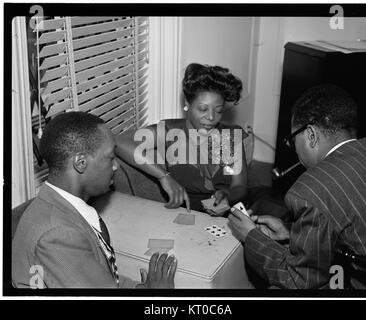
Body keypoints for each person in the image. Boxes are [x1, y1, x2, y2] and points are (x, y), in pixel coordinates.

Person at [229, 84, 366, 289]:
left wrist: (250, 236)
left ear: (311, 135)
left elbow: (298, 280)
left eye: (292, 140)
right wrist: (291, 232)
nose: (294, 149)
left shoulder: (310, 191)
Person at [12, 112, 177, 288]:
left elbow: (98, 277)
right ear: (80, 163)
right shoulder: (57, 235)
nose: (116, 166)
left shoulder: (62, 205)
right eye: (110, 158)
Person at [116, 63, 249, 214]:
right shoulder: (170, 131)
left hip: (227, 215)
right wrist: (163, 176)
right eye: (203, 109)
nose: (211, 117)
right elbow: (120, 141)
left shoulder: (227, 137)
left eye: (218, 111)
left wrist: (227, 195)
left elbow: (240, 186)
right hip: (186, 213)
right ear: (187, 103)